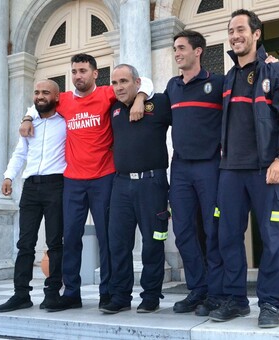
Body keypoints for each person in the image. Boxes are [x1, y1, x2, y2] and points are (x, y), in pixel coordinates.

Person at [20, 54, 153, 312]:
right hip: (72, 181)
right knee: (70, 238)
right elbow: (39, 104)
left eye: (83, 71)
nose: (78, 76)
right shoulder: (65, 100)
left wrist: (139, 99)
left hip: (104, 178)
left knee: (107, 239)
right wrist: (26, 118)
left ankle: (108, 293)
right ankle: (71, 293)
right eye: (74, 71)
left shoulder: (106, 94)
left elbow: (145, 82)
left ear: (95, 73)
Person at [208, 9, 279, 329]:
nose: (235, 35)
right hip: (230, 171)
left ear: (256, 33)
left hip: (266, 170)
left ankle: (270, 303)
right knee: (228, 236)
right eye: (231, 30)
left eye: (241, 29)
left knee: (272, 239)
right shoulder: (228, 78)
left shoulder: (277, 73)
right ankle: (235, 299)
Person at [99, 64, 171, 314]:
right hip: (120, 185)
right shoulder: (113, 108)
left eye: (124, 82)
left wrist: (142, 97)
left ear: (137, 82)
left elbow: (150, 87)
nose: (119, 87)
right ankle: (120, 296)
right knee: (118, 243)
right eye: (115, 82)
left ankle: (151, 296)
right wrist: (29, 115)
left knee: (153, 242)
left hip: (152, 183)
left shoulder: (159, 103)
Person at [165, 30, 225, 316]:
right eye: (174, 49)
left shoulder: (217, 82)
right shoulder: (172, 86)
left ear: (198, 51)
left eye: (181, 48)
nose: (176, 53)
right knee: (184, 231)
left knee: (213, 230)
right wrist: (140, 95)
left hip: (209, 167)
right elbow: (153, 105)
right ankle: (197, 288)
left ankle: (216, 292)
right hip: (180, 169)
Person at [0, 79, 65, 313]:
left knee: (55, 243)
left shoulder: (65, 121)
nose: (40, 96)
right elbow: (19, 153)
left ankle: (53, 293)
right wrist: (8, 176)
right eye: (36, 92)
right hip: (31, 187)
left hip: (57, 184)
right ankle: (21, 294)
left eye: (46, 92)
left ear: (57, 97)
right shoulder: (30, 123)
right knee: (25, 243)